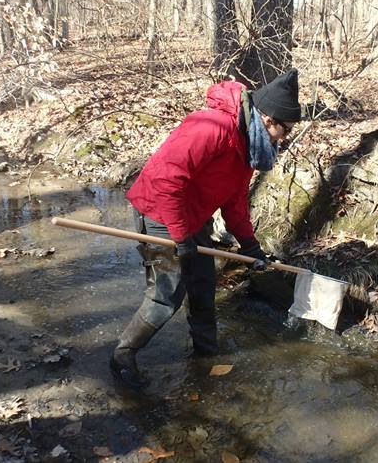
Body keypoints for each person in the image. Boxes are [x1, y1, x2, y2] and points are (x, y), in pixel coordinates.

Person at [111, 68, 302, 388]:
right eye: (285, 131)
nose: (284, 140)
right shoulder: (212, 127)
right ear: (269, 120)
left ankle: (206, 357)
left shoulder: (249, 144)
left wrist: (250, 246)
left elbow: (235, 203)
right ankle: (122, 357)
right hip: (159, 211)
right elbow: (165, 180)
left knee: (202, 285)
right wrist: (181, 235)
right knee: (166, 294)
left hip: (191, 217)